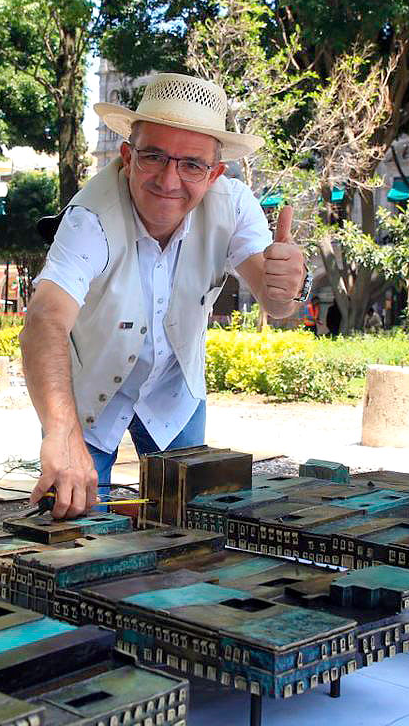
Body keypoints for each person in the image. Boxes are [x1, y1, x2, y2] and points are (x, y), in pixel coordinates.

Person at [19, 73, 308, 518]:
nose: (169, 180)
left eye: (192, 164)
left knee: (190, 526)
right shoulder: (89, 218)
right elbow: (45, 319)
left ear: (214, 174)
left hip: (175, 390)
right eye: (153, 156)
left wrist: (288, 283)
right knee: (73, 528)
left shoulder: (233, 206)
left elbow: (275, 301)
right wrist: (60, 433)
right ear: (127, 156)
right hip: (91, 392)